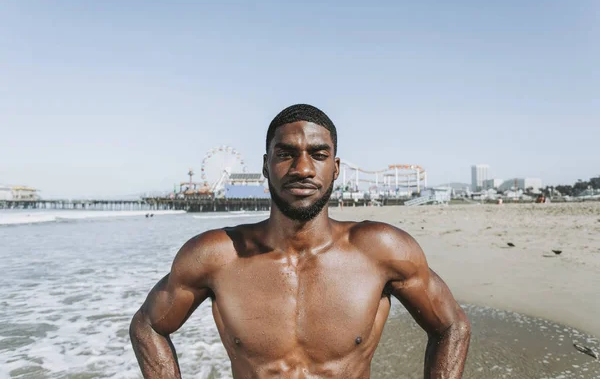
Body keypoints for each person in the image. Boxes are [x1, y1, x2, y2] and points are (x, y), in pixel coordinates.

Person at [130, 104, 471, 378]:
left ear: (336, 168)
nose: (303, 168)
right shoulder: (216, 256)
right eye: (286, 153)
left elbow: (451, 325)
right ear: (266, 165)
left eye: (318, 154)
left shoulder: (380, 250)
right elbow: (148, 325)